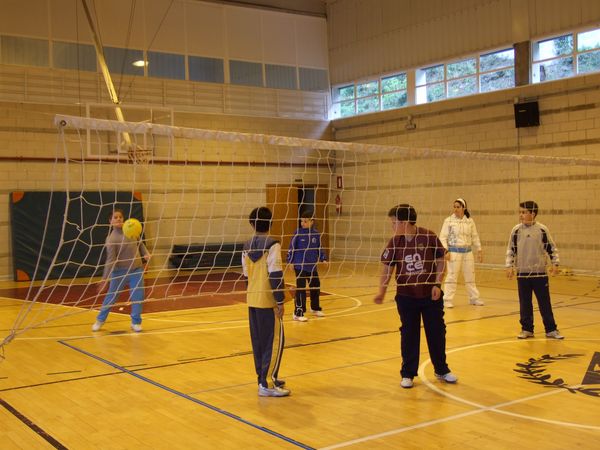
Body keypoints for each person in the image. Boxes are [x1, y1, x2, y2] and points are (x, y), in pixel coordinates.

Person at [374, 204, 458, 389]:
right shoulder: (395, 242)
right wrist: (381, 291)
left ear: (405, 222)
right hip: (406, 297)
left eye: (394, 223)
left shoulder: (428, 236)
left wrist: (437, 283)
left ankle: (441, 369)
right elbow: (387, 268)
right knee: (409, 334)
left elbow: (440, 259)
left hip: (430, 296)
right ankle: (407, 373)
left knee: (437, 332)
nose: (392, 226)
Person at [242, 206, 290, 397]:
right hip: (268, 300)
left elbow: (246, 275)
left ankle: (264, 377)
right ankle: (267, 384)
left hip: (252, 298)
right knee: (274, 342)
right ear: (270, 223)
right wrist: (280, 300)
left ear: (252, 224)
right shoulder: (273, 245)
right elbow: (275, 274)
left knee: (259, 342)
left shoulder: (246, 246)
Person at [506, 201, 563, 339]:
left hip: (540, 274)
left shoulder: (542, 229)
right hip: (522, 274)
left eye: (524, 212)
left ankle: (551, 329)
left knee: (544, 303)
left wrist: (555, 263)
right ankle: (527, 329)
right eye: (520, 212)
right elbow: (511, 249)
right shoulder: (516, 230)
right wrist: (509, 266)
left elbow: (551, 248)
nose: (521, 215)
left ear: (533, 213)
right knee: (525, 303)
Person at [93, 209, 151, 332]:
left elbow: (140, 244)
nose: (118, 219)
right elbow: (110, 260)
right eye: (115, 217)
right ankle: (100, 320)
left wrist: (145, 254)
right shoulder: (111, 239)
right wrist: (105, 279)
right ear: (110, 221)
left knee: (138, 296)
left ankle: (135, 322)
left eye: (120, 217)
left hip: (136, 270)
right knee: (111, 298)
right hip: (119, 272)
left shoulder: (132, 230)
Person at [439, 198, 483, 308]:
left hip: (468, 252)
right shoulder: (448, 221)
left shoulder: (469, 221)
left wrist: (479, 249)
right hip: (454, 252)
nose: (455, 209)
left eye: (458, 207)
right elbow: (442, 237)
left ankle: (474, 298)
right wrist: (445, 251)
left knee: (470, 276)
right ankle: (447, 299)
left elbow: (475, 235)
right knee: (452, 276)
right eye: (454, 207)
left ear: (464, 208)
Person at [287, 211, 328, 322]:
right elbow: (291, 247)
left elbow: (319, 248)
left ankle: (315, 308)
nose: (302, 223)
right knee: (301, 288)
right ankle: (298, 313)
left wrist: (323, 258)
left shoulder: (316, 234)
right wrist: (290, 261)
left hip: (312, 266)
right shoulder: (298, 233)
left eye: (305, 221)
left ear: (311, 221)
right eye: (301, 221)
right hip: (300, 265)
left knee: (315, 285)